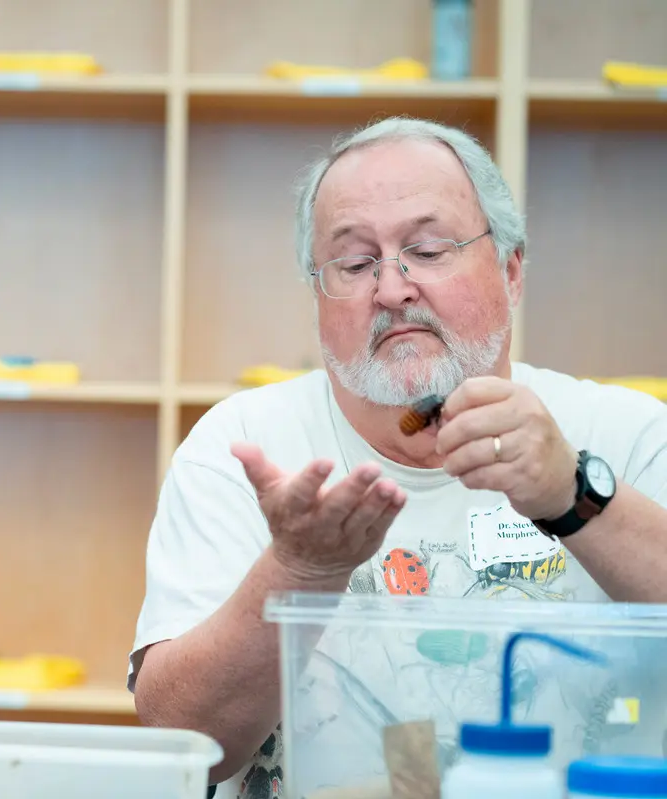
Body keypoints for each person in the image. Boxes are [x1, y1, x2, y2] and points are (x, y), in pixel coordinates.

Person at [127, 117, 667, 799]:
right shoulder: (242, 447)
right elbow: (180, 742)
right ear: (318, 295)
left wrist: (574, 496)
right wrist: (300, 568)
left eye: (430, 249)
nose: (392, 288)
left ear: (511, 270)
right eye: (354, 264)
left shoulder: (628, 432)